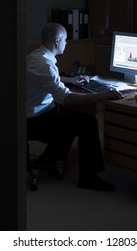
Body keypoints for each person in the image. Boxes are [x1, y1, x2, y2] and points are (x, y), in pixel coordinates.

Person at [26, 22, 122, 191]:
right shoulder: (44, 65)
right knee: (87, 122)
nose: (67, 43)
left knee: (72, 117)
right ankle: (88, 178)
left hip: (35, 112)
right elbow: (67, 98)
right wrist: (102, 95)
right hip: (33, 121)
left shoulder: (36, 56)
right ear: (57, 41)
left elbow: (48, 80)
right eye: (65, 40)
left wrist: (71, 80)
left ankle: (48, 158)